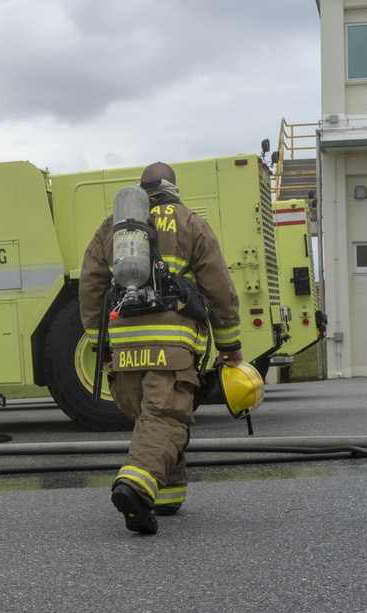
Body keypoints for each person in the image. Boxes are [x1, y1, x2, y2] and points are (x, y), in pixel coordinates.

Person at [79, 162, 242, 535]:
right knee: (166, 417)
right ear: (173, 188)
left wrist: (99, 345)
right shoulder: (188, 222)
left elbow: (90, 287)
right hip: (172, 343)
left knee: (152, 418)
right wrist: (230, 345)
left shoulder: (111, 228)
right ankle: (134, 488)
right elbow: (218, 286)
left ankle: (168, 496)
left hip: (124, 346)